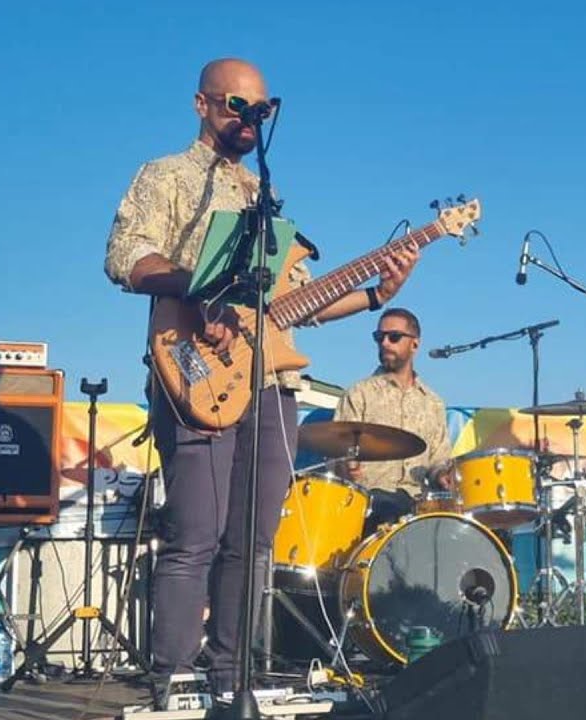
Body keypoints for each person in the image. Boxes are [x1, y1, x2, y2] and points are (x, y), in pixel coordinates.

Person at [103, 58, 419, 702]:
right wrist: (200, 295)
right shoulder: (166, 176)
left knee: (254, 540)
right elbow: (127, 256)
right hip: (192, 367)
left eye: (259, 110)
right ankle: (171, 677)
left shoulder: (263, 196)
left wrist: (372, 294)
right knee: (195, 532)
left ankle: (230, 677)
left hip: (270, 382)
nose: (248, 120)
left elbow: (295, 301)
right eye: (234, 106)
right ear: (201, 104)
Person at [333, 307, 454, 529]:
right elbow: (337, 453)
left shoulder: (433, 402)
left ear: (415, 344)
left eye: (394, 337)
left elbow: (439, 460)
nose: (385, 343)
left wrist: (443, 475)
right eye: (379, 337)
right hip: (370, 502)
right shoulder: (359, 394)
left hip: (418, 505)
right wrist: (346, 467)